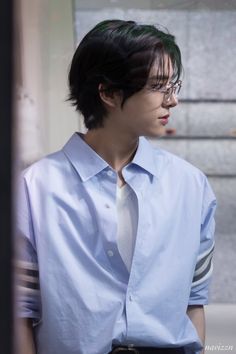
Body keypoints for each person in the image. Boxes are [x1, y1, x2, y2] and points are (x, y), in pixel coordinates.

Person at [16, 20, 216, 354]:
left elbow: (194, 302)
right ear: (107, 92)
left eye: (172, 85)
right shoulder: (34, 188)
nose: (173, 100)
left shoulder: (191, 186)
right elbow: (19, 312)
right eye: (157, 86)